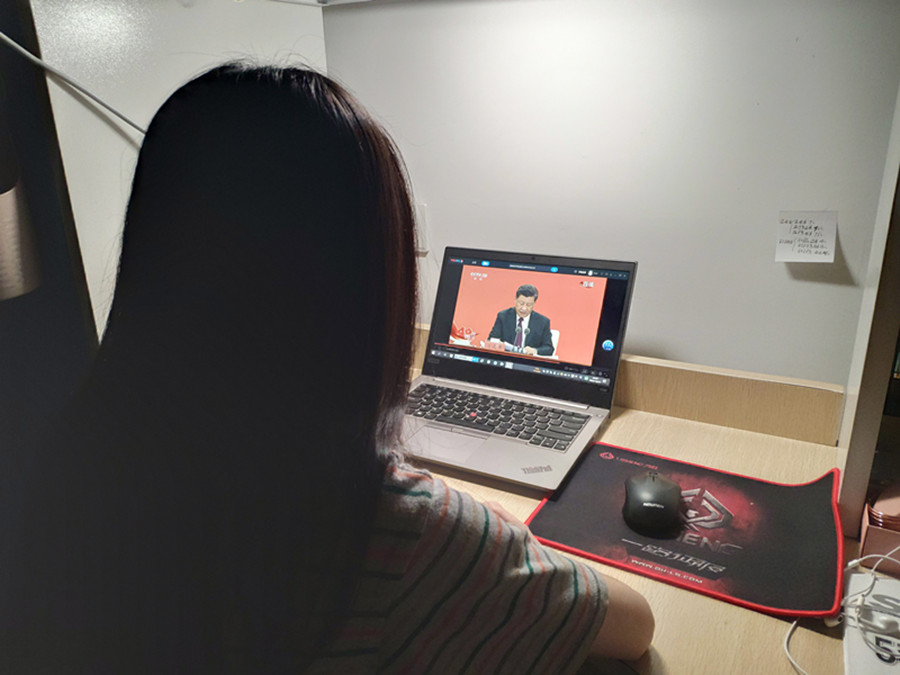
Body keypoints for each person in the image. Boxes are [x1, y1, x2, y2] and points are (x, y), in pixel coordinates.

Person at [1, 63, 653, 673]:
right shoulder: (396, 531)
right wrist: (488, 531)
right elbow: (633, 624)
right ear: (366, 289)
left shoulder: (69, 462)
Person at [489, 283, 555, 355]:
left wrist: (535, 351)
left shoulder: (542, 322)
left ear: (534, 304)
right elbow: (492, 339)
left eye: (528, 305)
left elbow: (549, 348)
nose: (524, 308)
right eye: (521, 303)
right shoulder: (503, 316)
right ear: (515, 300)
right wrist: (498, 344)